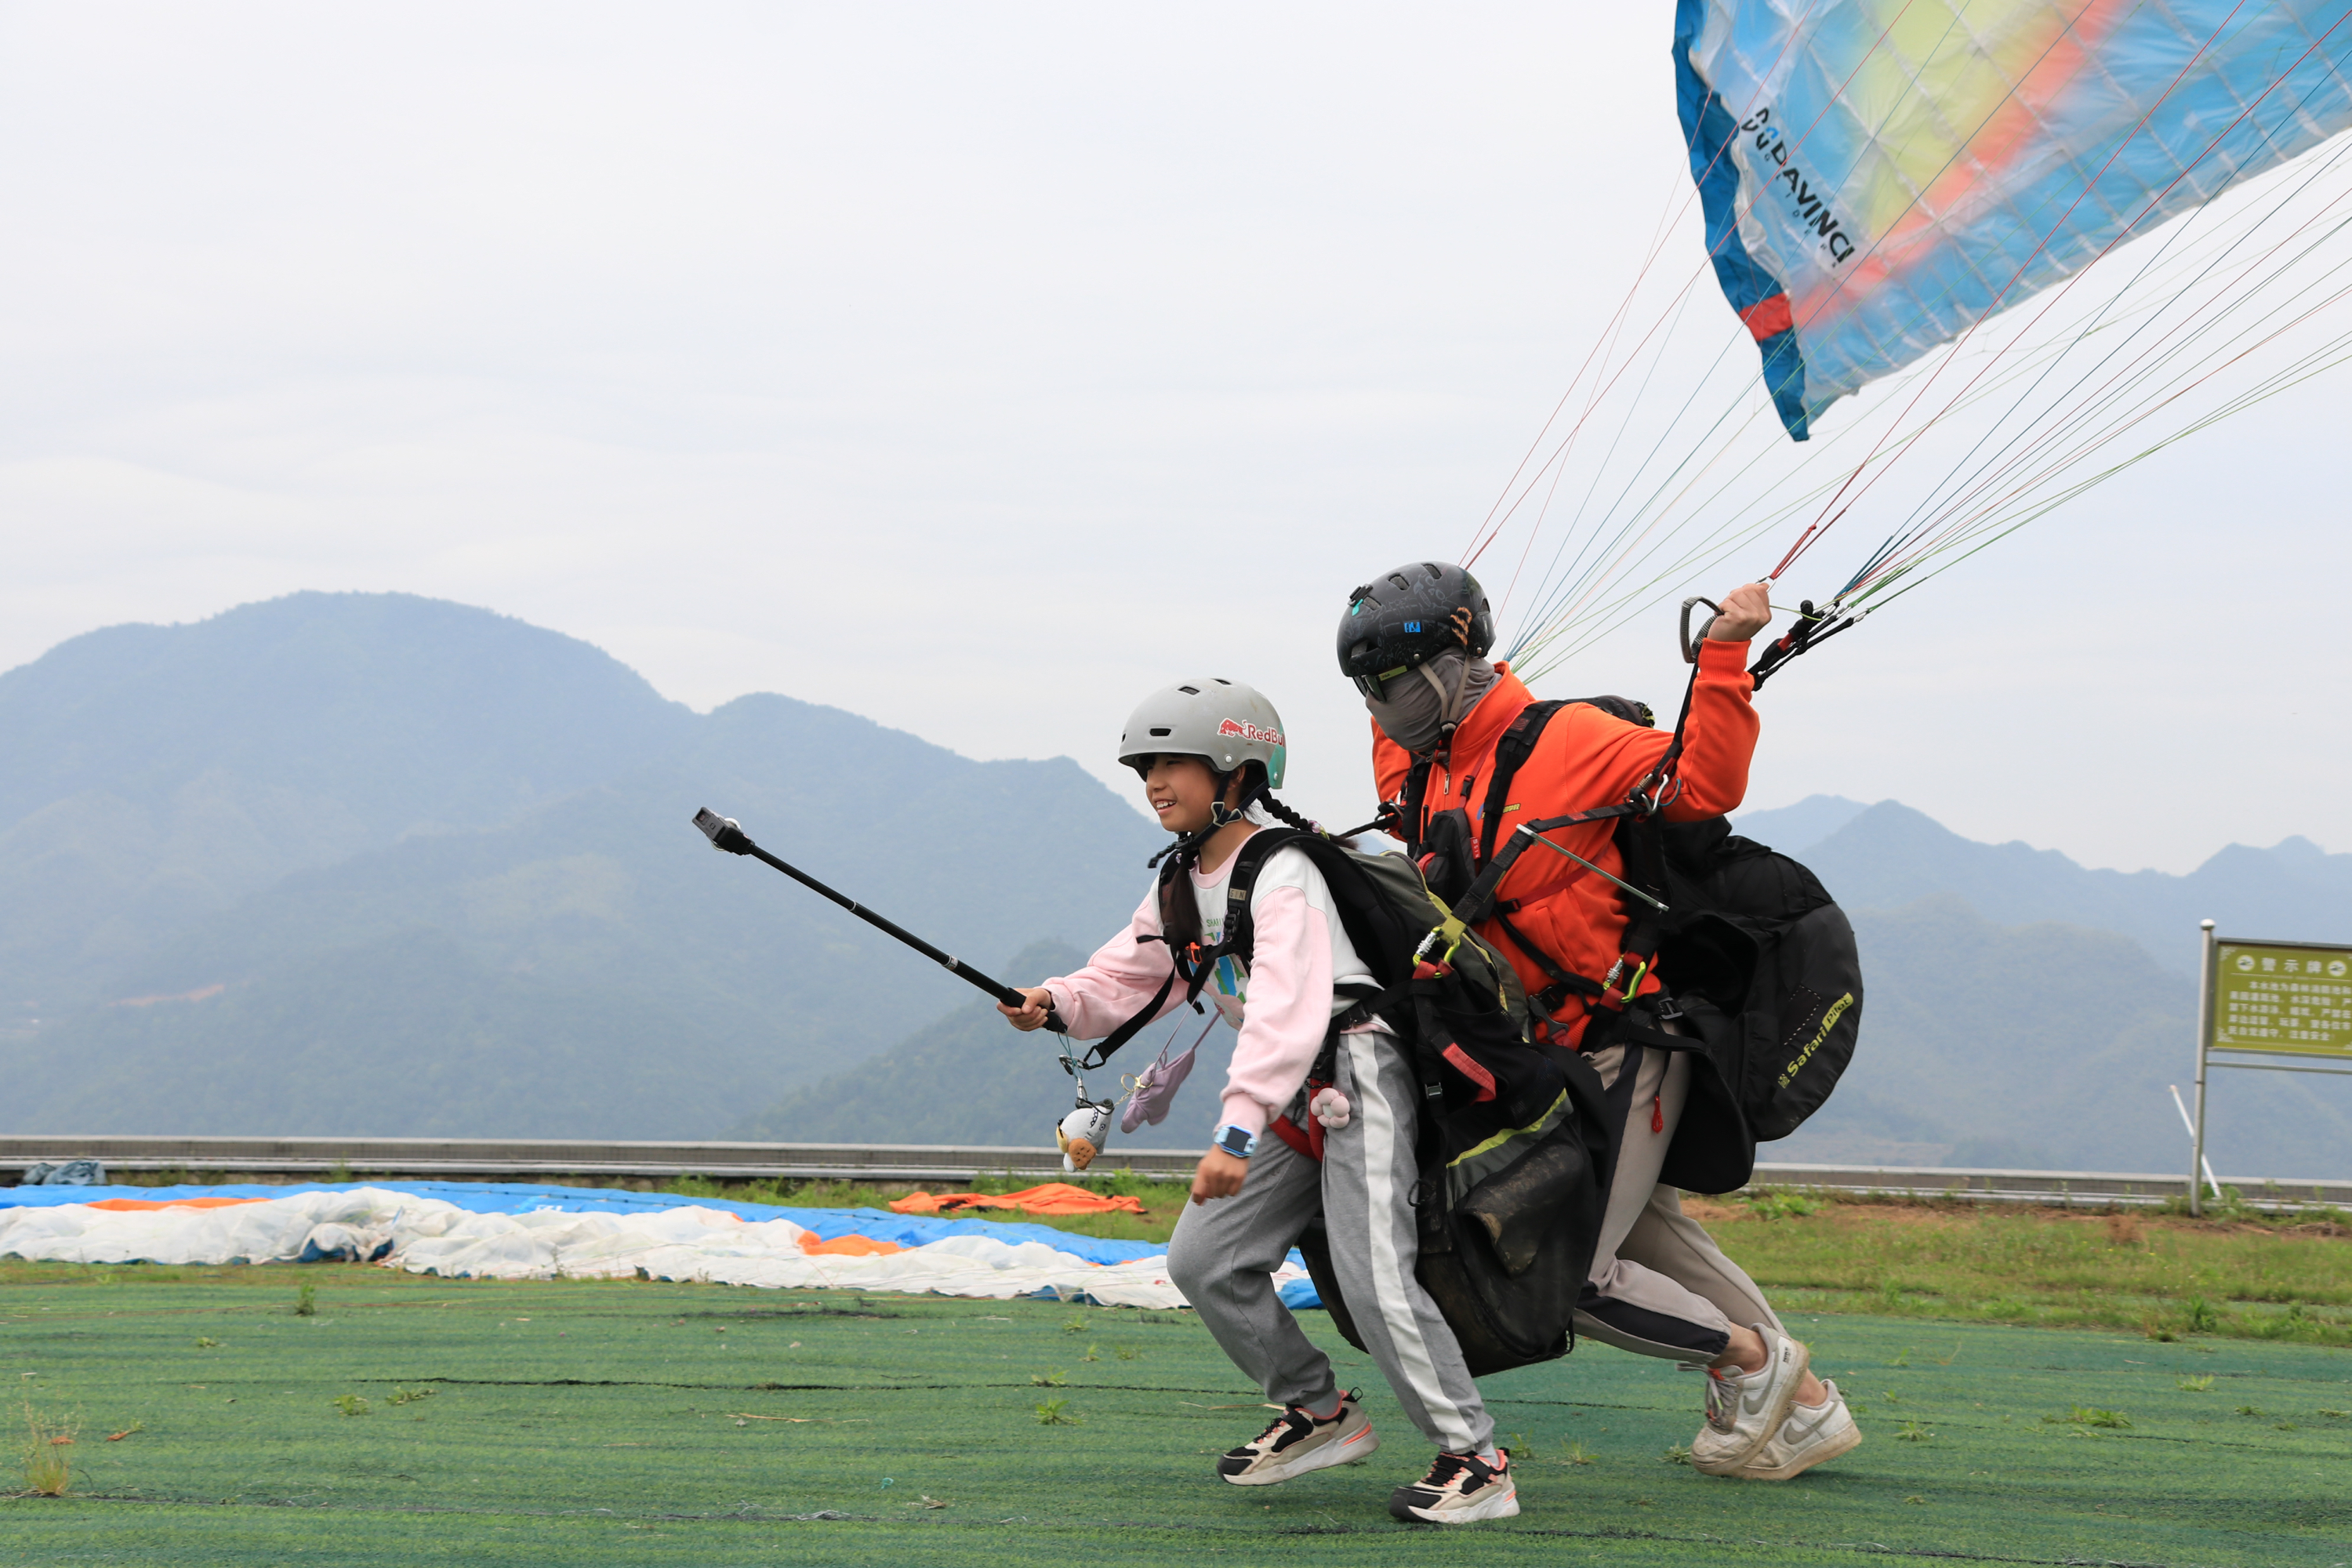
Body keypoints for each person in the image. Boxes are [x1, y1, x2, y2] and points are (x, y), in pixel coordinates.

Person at [1338, 561, 1861, 1483]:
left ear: (1457, 658)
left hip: (1629, 1044)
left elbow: (1702, 785)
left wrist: (1726, 655)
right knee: (1653, 1232)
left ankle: (1752, 1361)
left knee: (1565, 1266)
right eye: (1369, 690)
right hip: (1543, 1058)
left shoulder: (1575, 738)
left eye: (1395, 683)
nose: (1385, 706)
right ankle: (1806, 1406)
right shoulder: (1418, 764)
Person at [999, 678, 1521, 1524]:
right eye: (1146, 767)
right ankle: (1319, 1410)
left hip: (1357, 1070)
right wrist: (1053, 1000)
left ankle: (1477, 1457)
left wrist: (1235, 1132)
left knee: (1373, 1270)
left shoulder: (1283, 871)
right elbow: (1127, 977)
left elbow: (1286, 1006)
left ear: (1237, 775)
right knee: (1203, 1261)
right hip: (1288, 1090)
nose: (1155, 782)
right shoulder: (1182, 878)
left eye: (1175, 763)